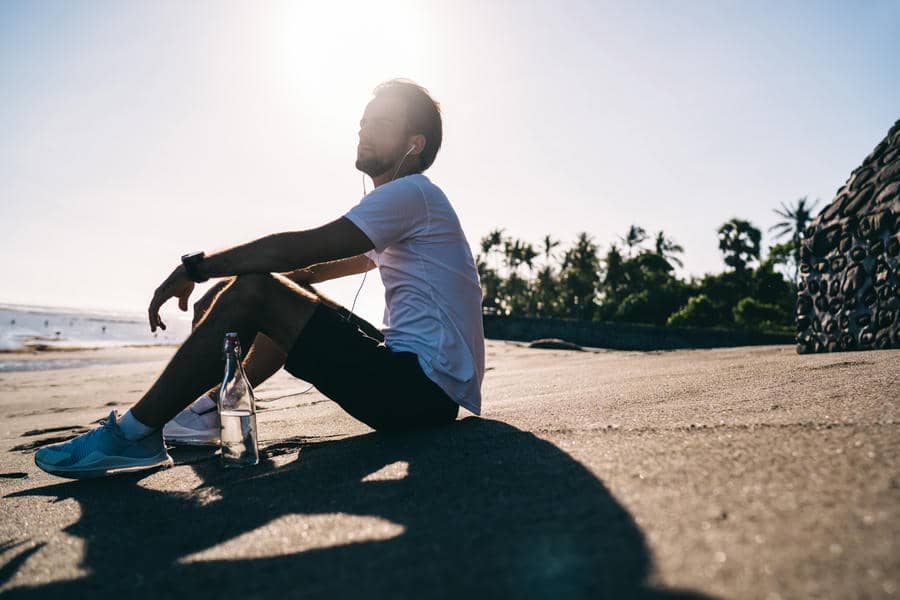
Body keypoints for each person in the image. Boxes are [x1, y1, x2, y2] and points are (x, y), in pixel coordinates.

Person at [34, 79, 485, 478]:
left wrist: (199, 267)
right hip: (421, 391)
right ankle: (210, 410)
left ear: (415, 144)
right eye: (363, 121)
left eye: (380, 122)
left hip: (417, 392)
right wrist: (232, 297)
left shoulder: (412, 194)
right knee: (267, 291)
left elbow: (299, 247)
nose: (363, 129)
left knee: (258, 290)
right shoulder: (408, 208)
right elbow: (307, 272)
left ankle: (132, 435)